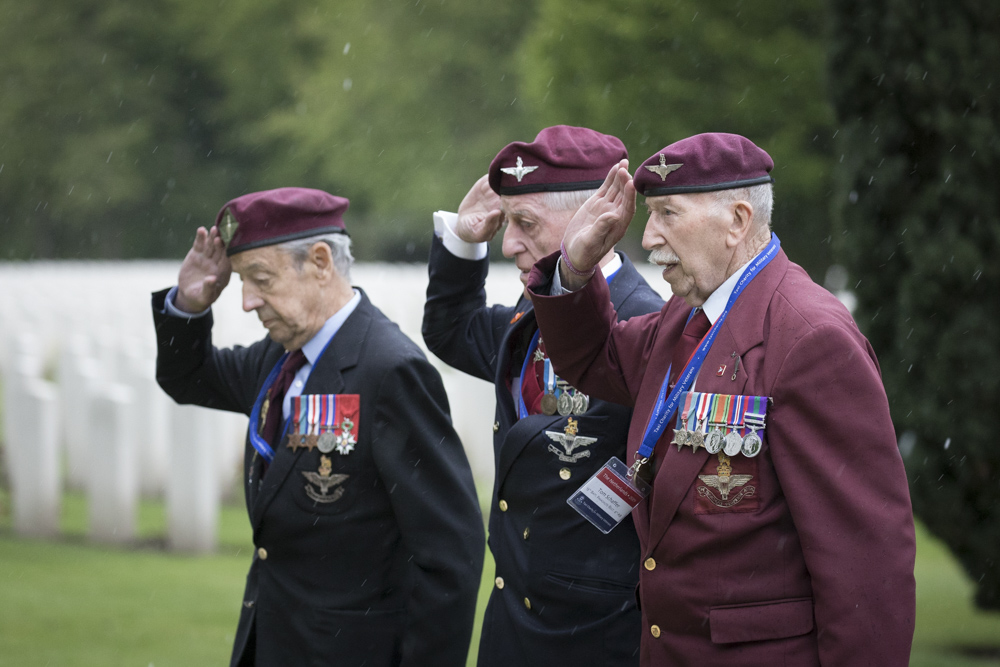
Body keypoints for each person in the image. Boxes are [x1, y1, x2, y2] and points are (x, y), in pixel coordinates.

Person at [526, 133, 916, 665]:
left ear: (737, 221)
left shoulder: (811, 338)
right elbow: (593, 359)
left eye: (667, 213)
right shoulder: (686, 315)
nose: (649, 237)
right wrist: (574, 266)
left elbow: (865, 568)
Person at [151, 187, 484, 667]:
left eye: (260, 279)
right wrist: (188, 303)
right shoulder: (280, 357)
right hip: (270, 644)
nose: (246, 301)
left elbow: (450, 552)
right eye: (243, 281)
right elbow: (188, 378)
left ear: (321, 261)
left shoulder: (388, 370)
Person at [422, 125, 664, 665]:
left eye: (525, 223)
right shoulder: (527, 316)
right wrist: (464, 238)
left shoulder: (645, 324)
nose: (507, 243)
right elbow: (448, 330)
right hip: (514, 627)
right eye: (508, 223)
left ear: (594, 217)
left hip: (599, 636)